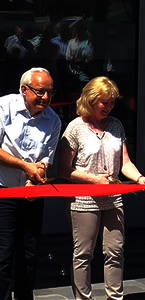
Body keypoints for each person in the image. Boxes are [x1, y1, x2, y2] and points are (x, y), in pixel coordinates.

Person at [58, 76, 145, 300]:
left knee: (115, 252)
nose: (109, 107)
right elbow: (64, 170)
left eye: (112, 102)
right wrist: (93, 179)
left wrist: (139, 178)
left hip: (113, 198)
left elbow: (125, 162)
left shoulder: (117, 125)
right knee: (83, 254)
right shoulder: (75, 128)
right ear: (90, 100)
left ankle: (115, 297)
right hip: (83, 200)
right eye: (104, 102)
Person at [0, 67, 61, 300]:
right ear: (24, 90)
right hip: (3, 191)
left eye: (50, 92)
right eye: (40, 92)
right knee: (3, 256)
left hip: (32, 195)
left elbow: (46, 159)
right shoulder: (4, 108)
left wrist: (38, 175)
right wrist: (25, 167)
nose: (46, 98)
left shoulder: (53, 120)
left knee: (29, 255)